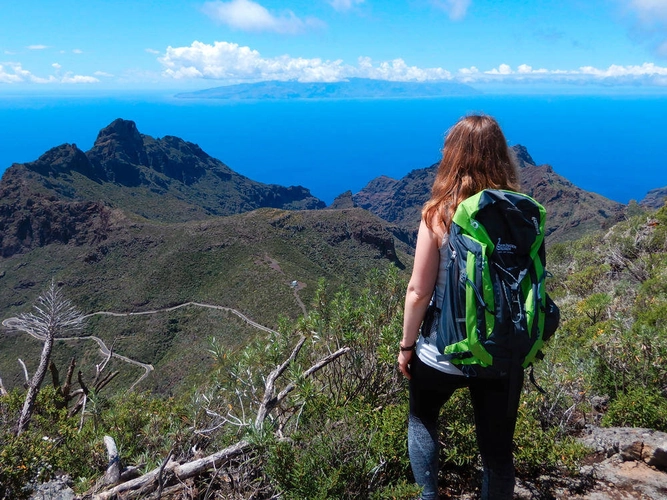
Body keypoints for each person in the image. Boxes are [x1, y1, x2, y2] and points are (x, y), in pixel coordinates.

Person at [398, 114, 522, 500]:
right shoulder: (522, 214)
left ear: (452, 156)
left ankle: (428, 496)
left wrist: (405, 347)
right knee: (497, 451)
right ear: (502, 155)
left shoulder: (438, 213)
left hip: (442, 351)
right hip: (502, 354)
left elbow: (418, 291)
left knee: (422, 419)